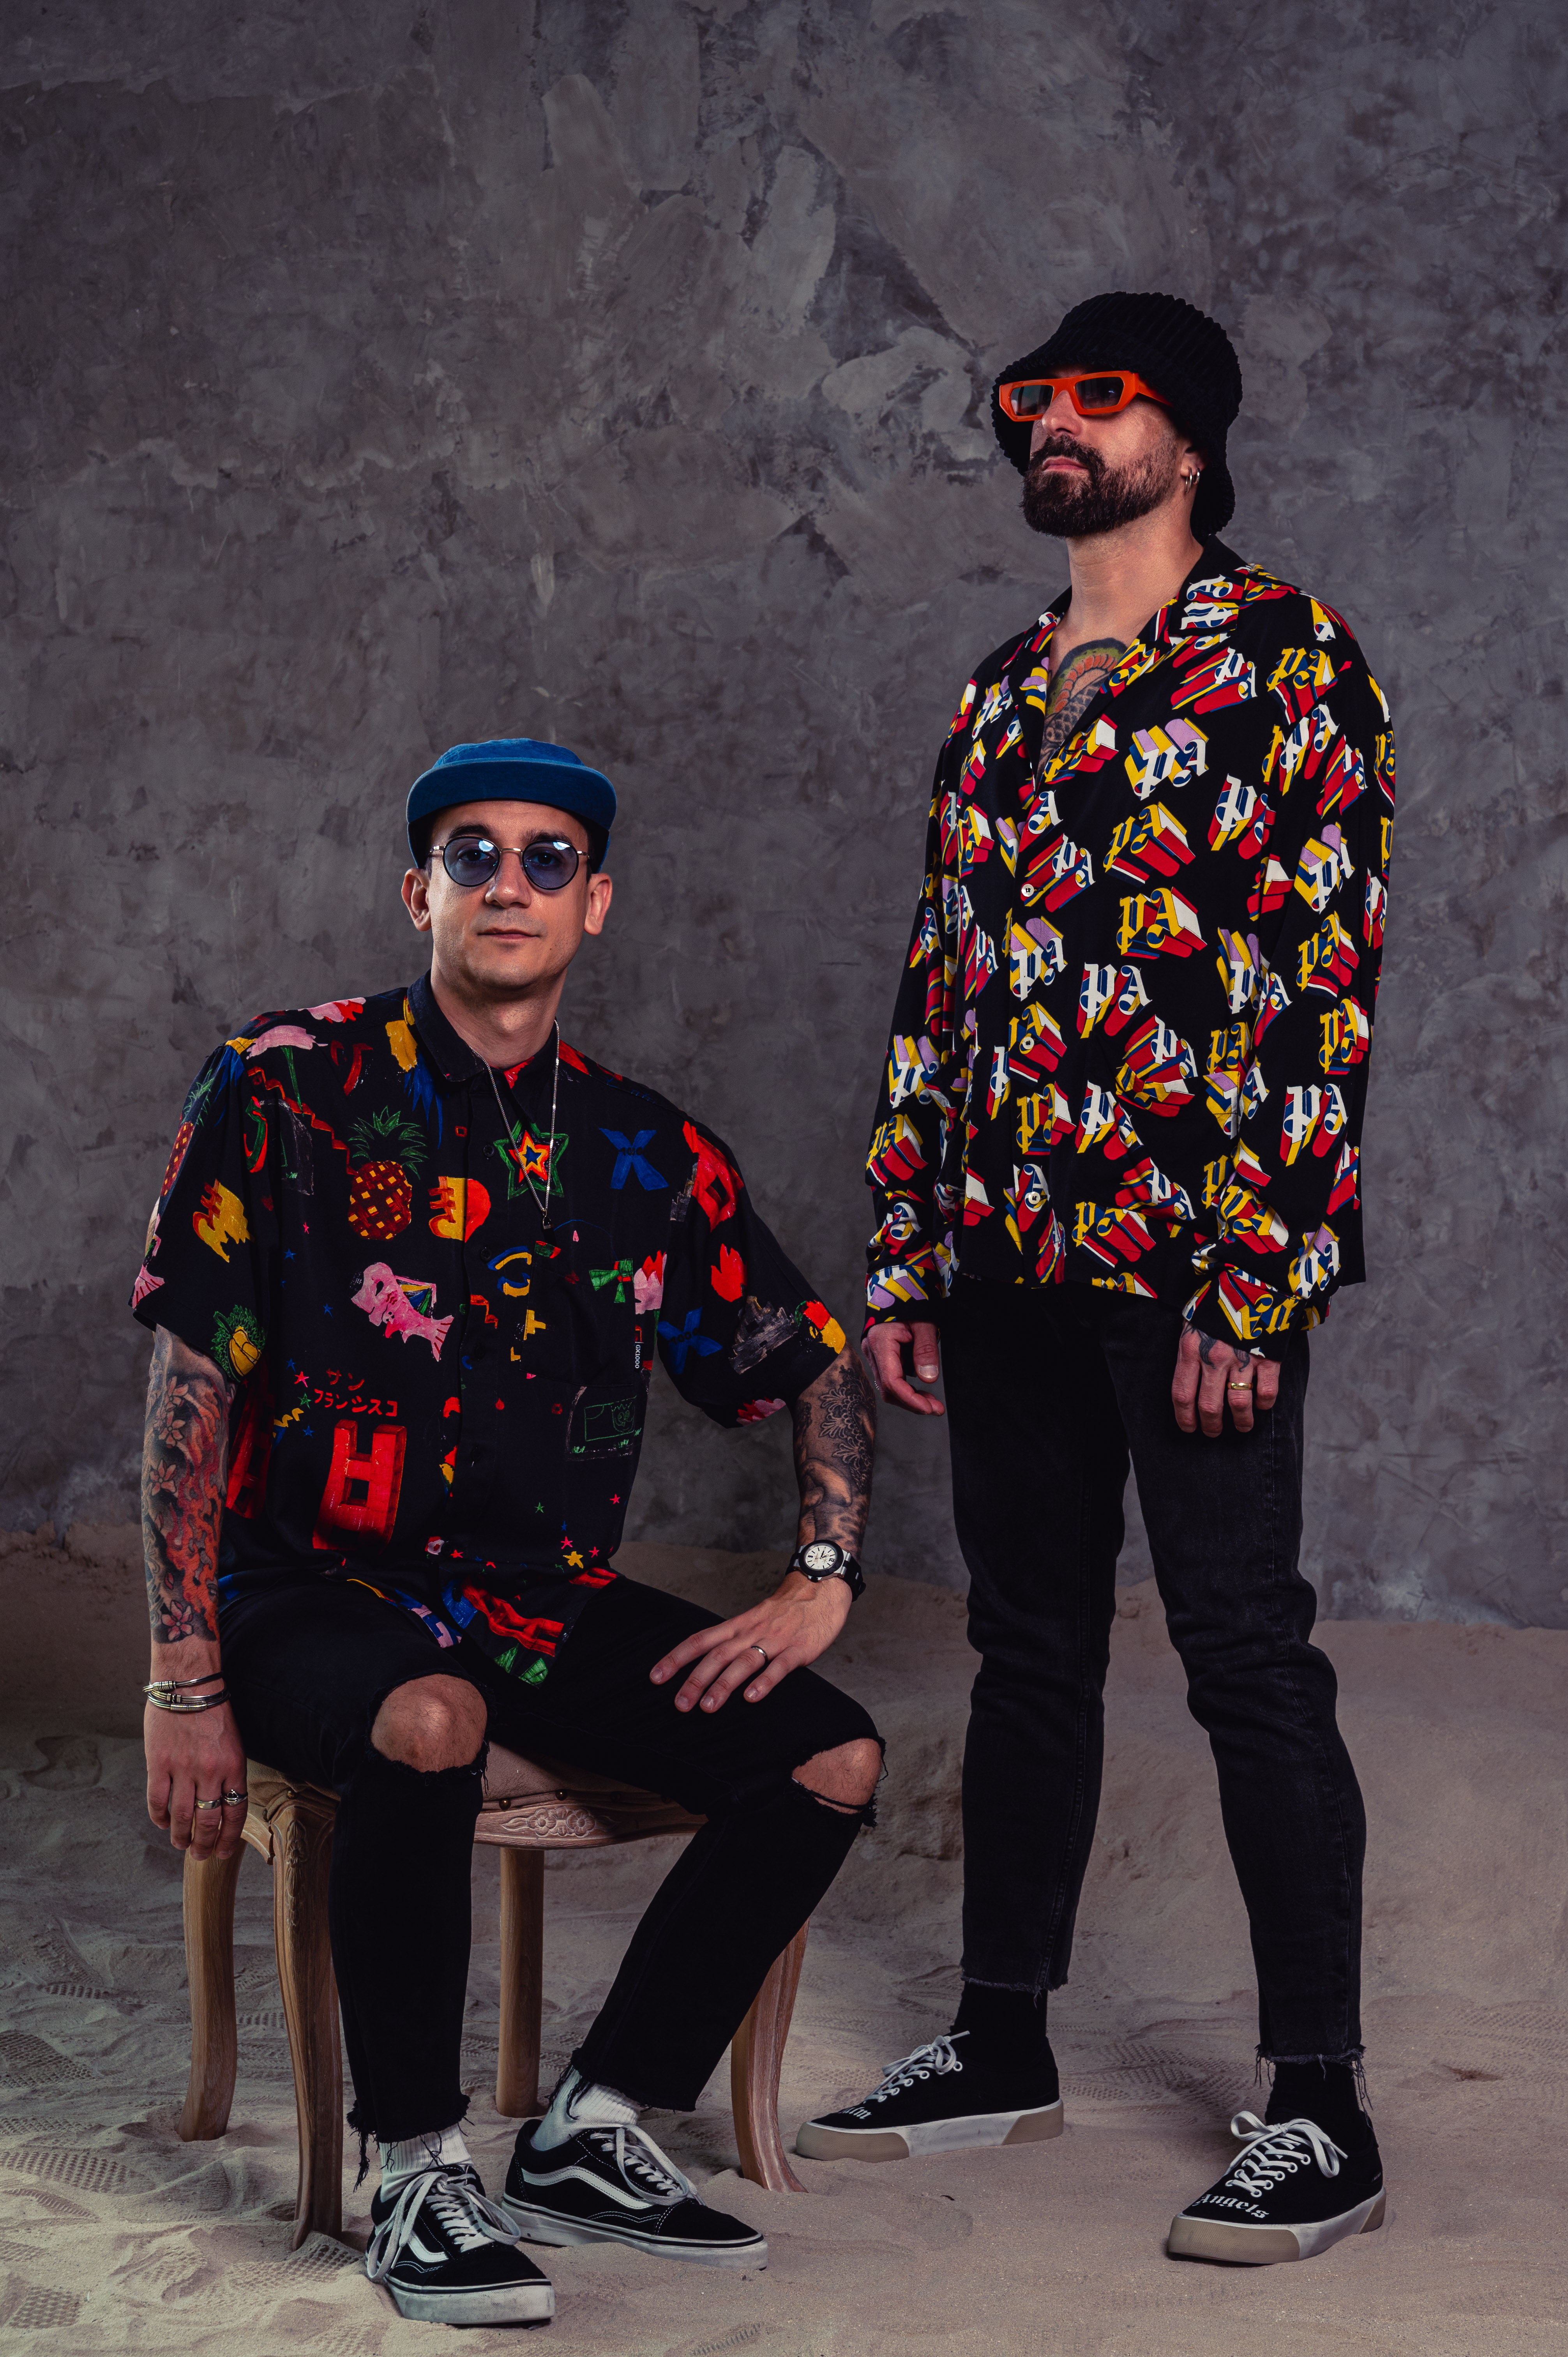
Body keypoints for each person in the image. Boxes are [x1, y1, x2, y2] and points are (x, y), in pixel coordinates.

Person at [132, 736, 883, 2327]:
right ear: (419, 891)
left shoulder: (644, 1150)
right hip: (310, 1585)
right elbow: (190, 1382)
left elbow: (809, 1359)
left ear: (594, 903)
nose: (510, 884)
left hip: (538, 1597)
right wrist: (183, 1672)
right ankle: (418, 2169)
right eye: (471, 854)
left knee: (828, 1760)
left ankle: (595, 2128)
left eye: (550, 858)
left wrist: (821, 1574)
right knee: (427, 1718)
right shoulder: (282, 1085)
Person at [798, 292, 1393, 2267]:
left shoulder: (1286, 658)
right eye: (1032, 396)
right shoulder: (996, 689)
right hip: (1000, 1253)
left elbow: (1318, 982)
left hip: (1192, 1261)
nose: (1053, 421)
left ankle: (1321, 2106)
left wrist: (1257, 1279)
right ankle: (999, 2043)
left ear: (1189, 441)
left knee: (1243, 1654)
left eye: (1100, 396)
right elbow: (939, 982)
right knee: (1027, 1648)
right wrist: (906, 1245)